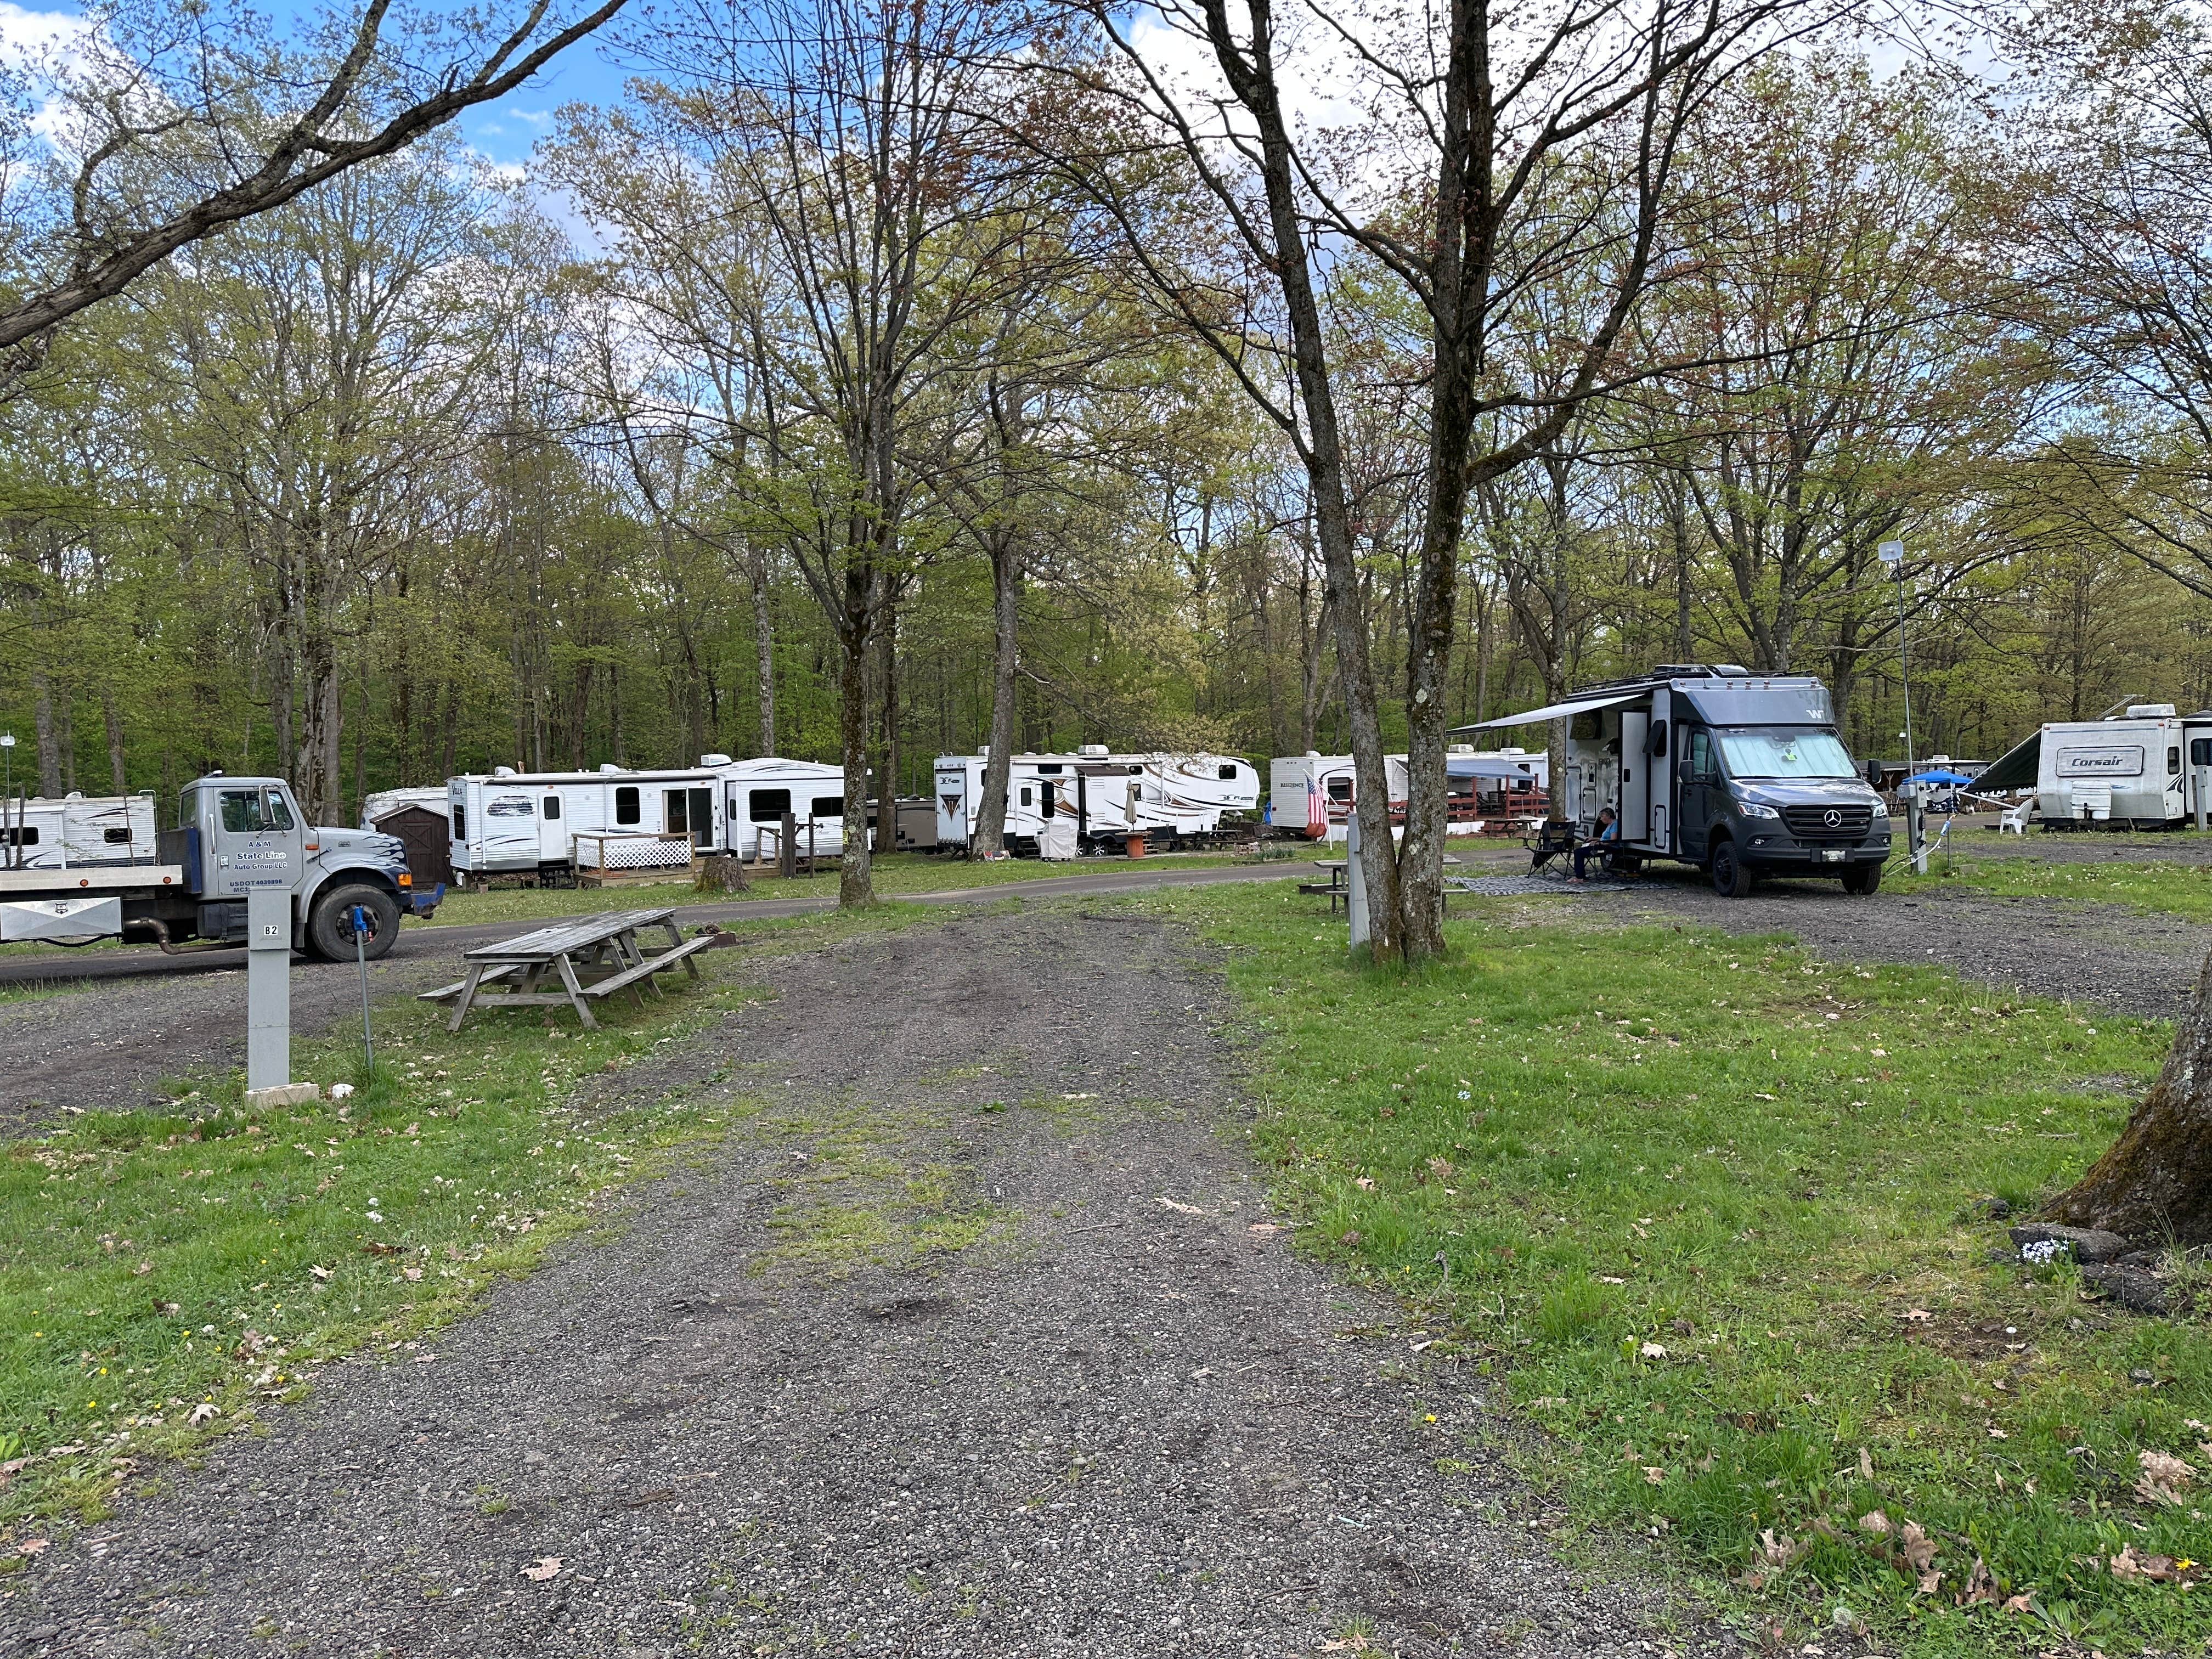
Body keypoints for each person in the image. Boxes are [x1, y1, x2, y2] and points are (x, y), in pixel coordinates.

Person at [1570, 806, 1617, 882]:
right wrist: (1594, 838)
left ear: (1609, 816)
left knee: (1578, 852)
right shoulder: (1610, 824)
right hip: (1604, 845)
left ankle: (1580, 877)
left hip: (1609, 848)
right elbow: (1605, 839)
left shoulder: (1614, 825)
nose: (1601, 819)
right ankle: (1581, 876)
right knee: (1579, 850)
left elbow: (1612, 841)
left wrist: (1598, 843)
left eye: (1602, 817)